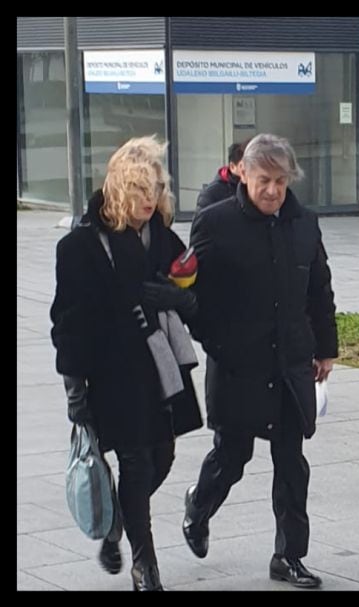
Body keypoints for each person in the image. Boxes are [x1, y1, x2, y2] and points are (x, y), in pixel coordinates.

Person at [182, 133, 338, 588]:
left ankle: (288, 556)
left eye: (281, 181)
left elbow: (319, 291)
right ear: (243, 174)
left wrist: (325, 348)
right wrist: (219, 345)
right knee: (233, 455)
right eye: (263, 180)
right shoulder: (214, 223)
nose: (272, 190)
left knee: (292, 463)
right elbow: (195, 302)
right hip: (237, 365)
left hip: (289, 362)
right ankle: (199, 504)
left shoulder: (305, 223)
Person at [51, 136, 203, 591]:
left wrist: (181, 298)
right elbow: (68, 326)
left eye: (155, 188)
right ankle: (145, 565)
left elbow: (196, 292)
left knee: (163, 457)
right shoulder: (80, 245)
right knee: (136, 463)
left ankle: (116, 522)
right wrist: (75, 394)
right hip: (112, 376)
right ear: (119, 187)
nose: (148, 199)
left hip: (161, 371)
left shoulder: (161, 234)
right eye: (139, 189)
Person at [195, 140, 246, 214]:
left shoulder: (253, 189)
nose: (249, 169)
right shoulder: (211, 193)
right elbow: (202, 222)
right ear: (232, 166)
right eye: (244, 166)